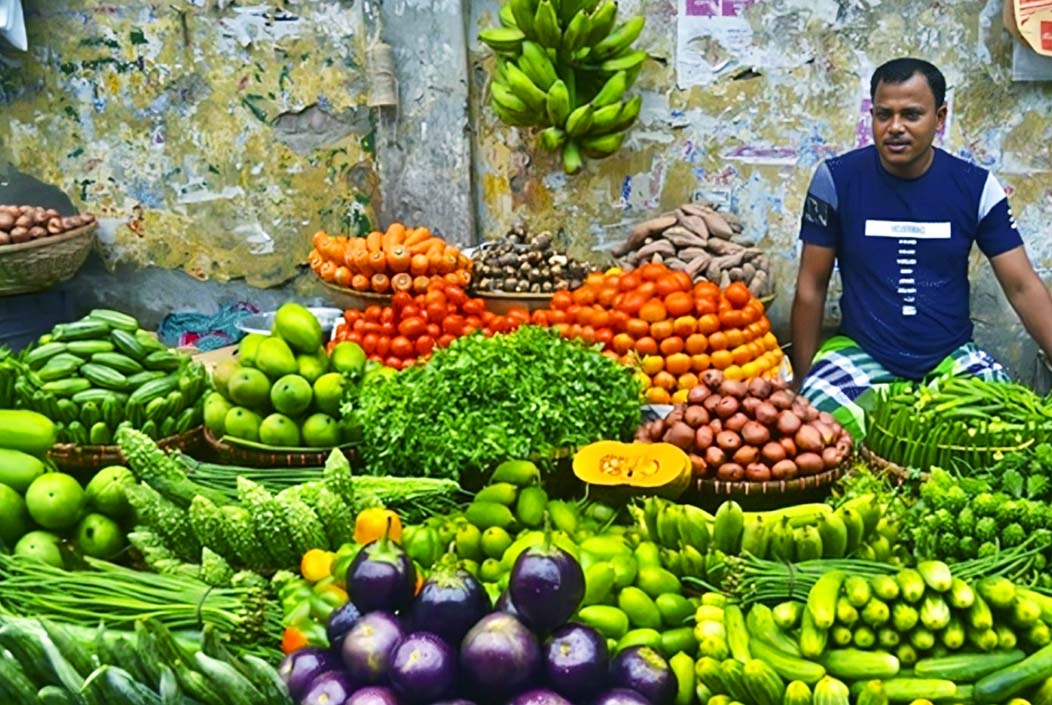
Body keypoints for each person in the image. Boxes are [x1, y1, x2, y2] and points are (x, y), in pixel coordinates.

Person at [790, 57, 1052, 439]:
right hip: (862, 355)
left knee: (1005, 431)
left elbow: (1022, 286)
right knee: (816, 432)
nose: (895, 128)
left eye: (911, 115)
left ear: (940, 117)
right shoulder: (836, 180)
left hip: (950, 358)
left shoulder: (976, 187)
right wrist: (801, 378)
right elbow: (810, 287)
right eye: (884, 114)